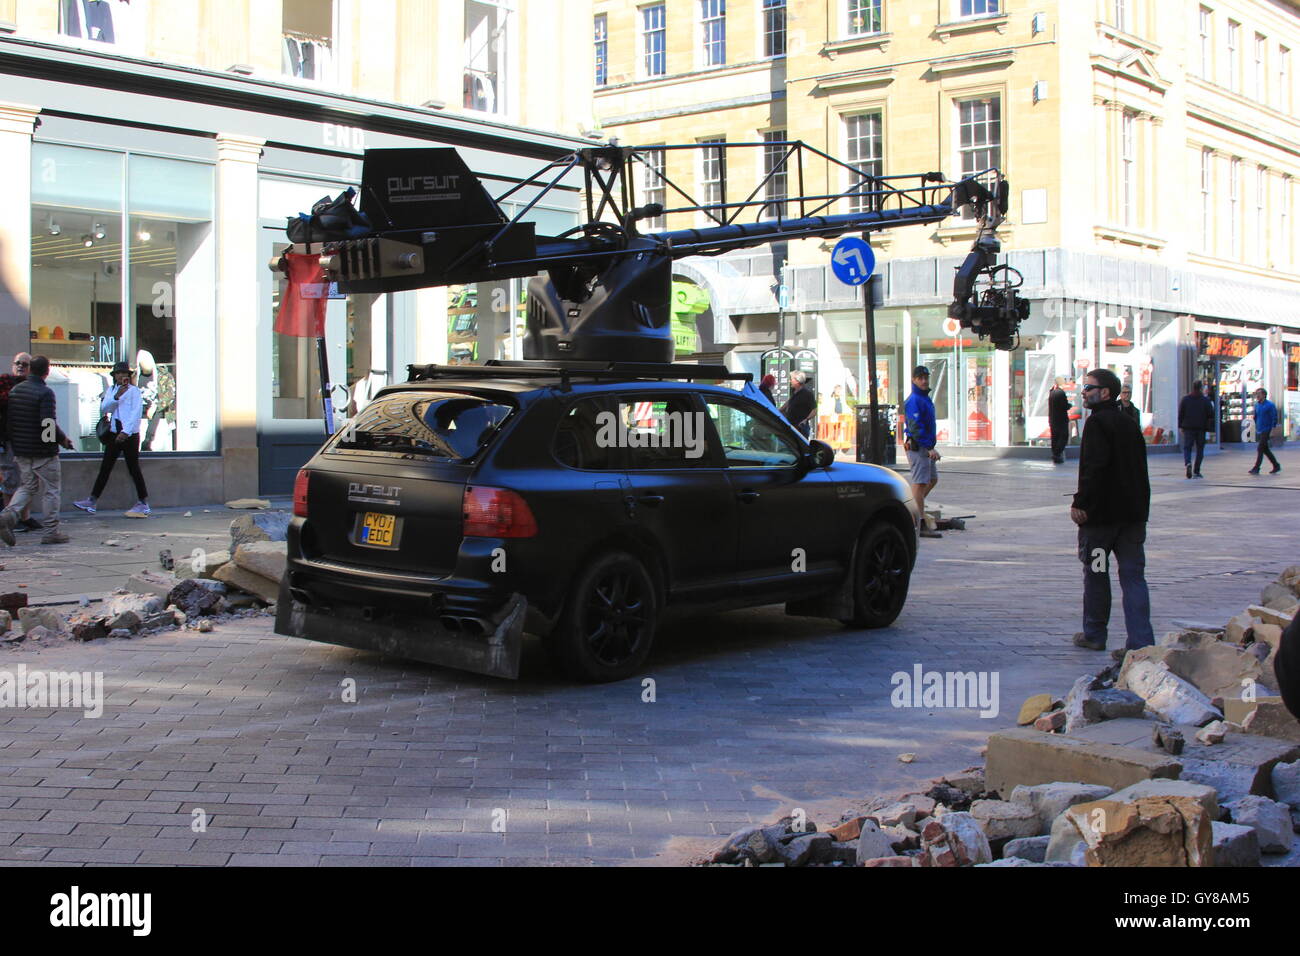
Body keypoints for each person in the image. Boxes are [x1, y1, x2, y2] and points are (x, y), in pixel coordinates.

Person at [1070, 368, 1153, 655]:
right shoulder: (1129, 422)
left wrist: (1081, 503)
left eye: (1088, 387)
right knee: (1133, 577)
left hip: (1101, 522)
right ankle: (1142, 643)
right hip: (1132, 519)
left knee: (1096, 573)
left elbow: (1094, 469)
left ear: (1104, 392)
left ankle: (1094, 633)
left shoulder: (1097, 424)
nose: (1084, 392)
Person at [0, 355, 74, 546]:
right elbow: (47, 423)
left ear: (31, 370)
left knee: (27, 486)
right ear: (46, 372)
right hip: (43, 452)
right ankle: (51, 532)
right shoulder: (45, 393)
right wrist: (57, 443)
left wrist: (16, 446)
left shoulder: (15, 391)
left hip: (22, 451)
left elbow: (10, 423)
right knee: (51, 490)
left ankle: (7, 516)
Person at [74, 361, 150, 517]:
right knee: (106, 467)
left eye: (124, 373)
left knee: (133, 468)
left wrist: (126, 432)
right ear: (115, 376)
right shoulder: (112, 390)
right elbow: (104, 408)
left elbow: (136, 413)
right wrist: (116, 397)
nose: (121, 376)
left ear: (128, 376)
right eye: (118, 373)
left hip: (130, 435)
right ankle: (92, 500)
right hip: (115, 433)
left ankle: (143, 502)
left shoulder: (134, 391)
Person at [0, 352, 42, 533]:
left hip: (26, 441)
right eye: (17, 363)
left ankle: (23, 517)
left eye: (24, 364)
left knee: (27, 481)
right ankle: (9, 518)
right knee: (10, 479)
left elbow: (45, 418)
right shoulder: (5, 383)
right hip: (8, 439)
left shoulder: (35, 387)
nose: (20, 366)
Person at [903, 365, 942, 539]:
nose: (924, 380)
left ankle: (912, 507)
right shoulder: (914, 400)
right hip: (919, 447)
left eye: (926, 377)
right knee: (919, 483)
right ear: (914, 380)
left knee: (932, 479)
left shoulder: (924, 398)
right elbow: (915, 427)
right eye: (920, 378)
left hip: (925, 446)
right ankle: (918, 522)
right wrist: (928, 447)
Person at [1177, 381, 1215, 479]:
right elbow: (1211, 413)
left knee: (1187, 447)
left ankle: (1188, 463)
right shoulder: (1205, 400)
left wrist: (1180, 426)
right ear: (1201, 388)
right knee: (1200, 449)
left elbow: (1181, 413)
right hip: (1201, 428)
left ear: (1193, 387)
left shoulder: (1186, 399)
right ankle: (1197, 470)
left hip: (1188, 427)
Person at [1247, 387, 1281, 475]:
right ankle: (1276, 465)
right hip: (1260, 429)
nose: (1257, 396)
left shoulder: (1270, 405)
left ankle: (1256, 468)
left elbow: (1274, 418)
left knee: (1260, 448)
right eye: (1256, 394)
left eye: (1259, 394)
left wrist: (1273, 429)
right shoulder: (1257, 405)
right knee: (1265, 449)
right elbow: (1256, 417)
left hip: (1267, 429)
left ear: (1264, 395)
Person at [780, 371, 817, 439]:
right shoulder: (794, 393)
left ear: (797, 381)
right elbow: (788, 403)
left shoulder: (807, 394)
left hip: (800, 428)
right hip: (791, 427)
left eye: (791, 379)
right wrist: (778, 411)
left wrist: (806, 419)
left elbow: (814, 411)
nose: (790, 381)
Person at [1048, 376, 1071, 464]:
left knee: (1055, 437)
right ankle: (1057, 454)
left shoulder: (1052, 393)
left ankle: (1055, 454)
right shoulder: (1061, 393)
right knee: (1063, 436)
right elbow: (1064, 406)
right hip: (1061, 419)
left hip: (1053, 419)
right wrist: (1069, 406)